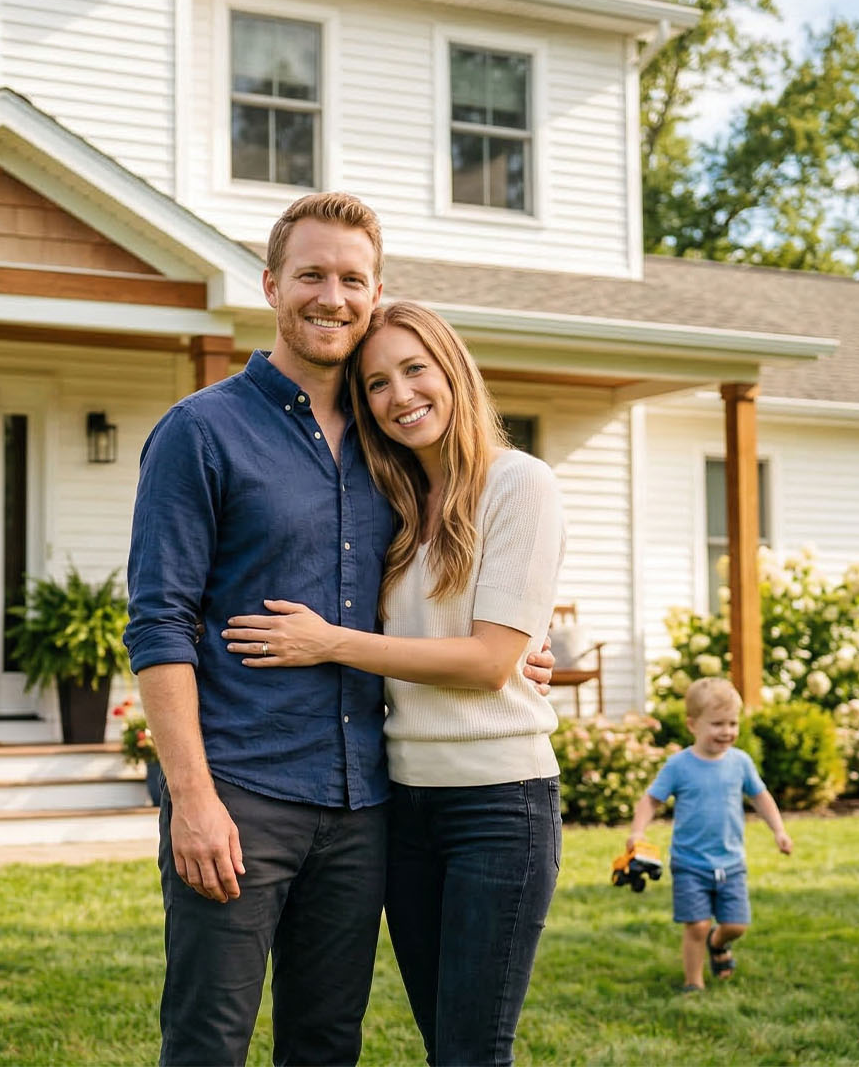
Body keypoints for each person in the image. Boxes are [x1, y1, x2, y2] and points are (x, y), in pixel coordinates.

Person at [124, 194, 553, 1066]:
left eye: (352, 278)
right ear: (273, 284)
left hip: (366, 807)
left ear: (375, 290)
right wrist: (193, 799)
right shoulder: (201, 432)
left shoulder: (389, 448)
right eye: (313, 274)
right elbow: (159, 622)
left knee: (326, 1044)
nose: (333, 295)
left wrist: (515, 654)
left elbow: (455, 576)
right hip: (241, 792)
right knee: (208, 1041)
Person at [222, 300, 566, 1066]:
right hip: (405, 807)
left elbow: (485, 662)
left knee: (473, 1052)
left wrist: (328, 643)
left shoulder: (520, 483)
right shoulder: (397, 502)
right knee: (443, 1042)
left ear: (454, 370)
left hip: (499, 804)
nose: (401, 395)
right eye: (376, 384)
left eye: (416, 370)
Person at [624, 677, 793, 993]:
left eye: (732, 723)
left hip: (731, 863)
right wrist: (637, 831)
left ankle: (719, 942)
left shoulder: (740, 762)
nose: (727, 731)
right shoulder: (679, 766)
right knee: (696, 925)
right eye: (717, 724)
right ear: (693, 724)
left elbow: (761, 797)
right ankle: (693, 983)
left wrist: (779, 831)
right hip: (690, 862)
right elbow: (651, 800)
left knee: (736, 925)